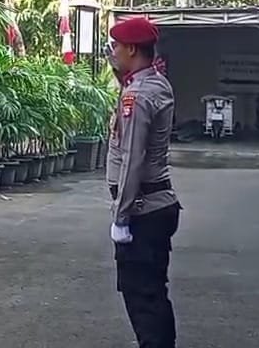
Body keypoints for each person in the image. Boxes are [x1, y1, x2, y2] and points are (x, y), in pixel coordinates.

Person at [106, 17, 182, 348]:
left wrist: (121, 217)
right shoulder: (156, 83)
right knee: (152, 293)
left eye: (117, 47)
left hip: (142, 209)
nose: (113, 51)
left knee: (142, 298)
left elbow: (132, 159)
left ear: (132, 49)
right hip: (158, 205)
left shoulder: (137, 96)